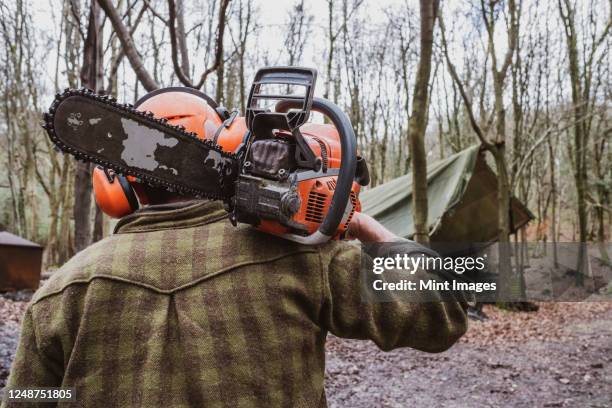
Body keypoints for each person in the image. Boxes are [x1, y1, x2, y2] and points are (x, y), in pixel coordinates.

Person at [3, 92, 469, 408]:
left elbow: (25, 399)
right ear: (229, 147)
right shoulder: (304, 256)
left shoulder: (62, 293)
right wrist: (371, 230)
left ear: (117, 183)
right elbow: (442, 313)